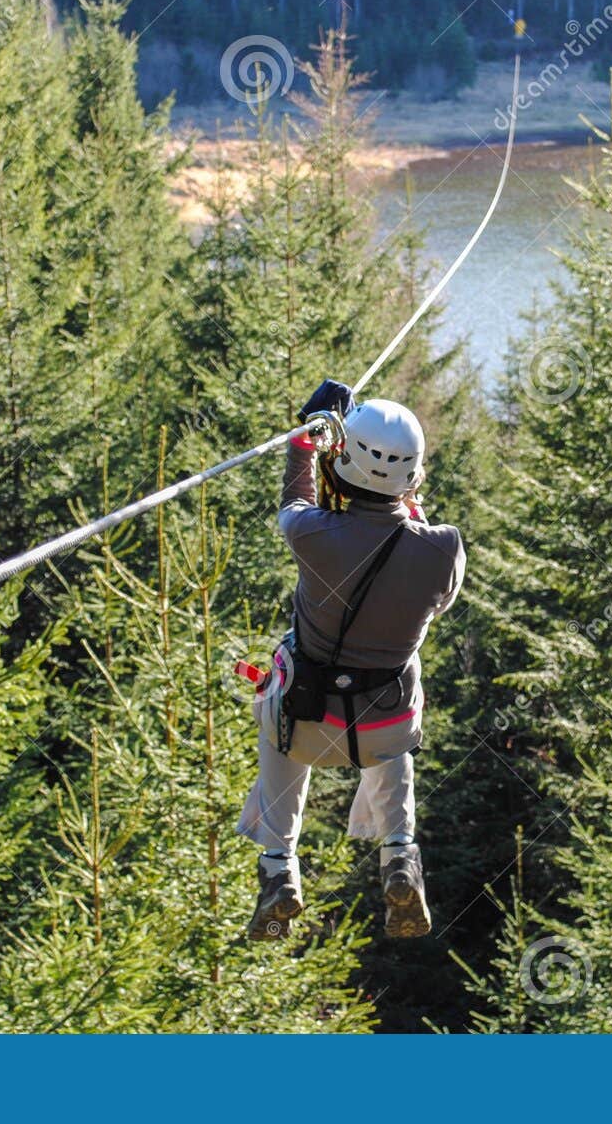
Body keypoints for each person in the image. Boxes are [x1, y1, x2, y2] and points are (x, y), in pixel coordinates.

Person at [236, 380, 465, 940]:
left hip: (307, 724)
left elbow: (294, 500)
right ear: (412, 475)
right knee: (397, 687)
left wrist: (306, 438)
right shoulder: (443, 549)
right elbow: (418, 540)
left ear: (345, 460)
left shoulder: (312, 534)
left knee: (276, 704)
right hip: (382, 729)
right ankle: (399, 856)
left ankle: (279, 870)